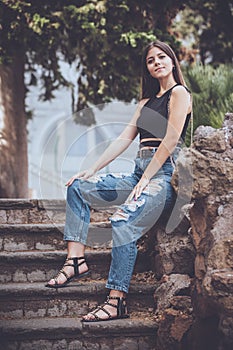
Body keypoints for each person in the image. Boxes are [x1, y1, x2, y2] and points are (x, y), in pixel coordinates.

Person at [45, 40, 192, 322]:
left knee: (123, 221)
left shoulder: (180, 93)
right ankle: (75, 261)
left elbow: (171, 139)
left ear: (172, 61)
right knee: (78, 187)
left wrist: (147, 179)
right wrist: (91, 169)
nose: (157, 62)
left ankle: (116, 301)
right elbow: (124, 140)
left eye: (162, 57)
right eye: (151, 60)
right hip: (139, 173)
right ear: (147, 69)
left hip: (162, 178)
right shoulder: (145, 103)